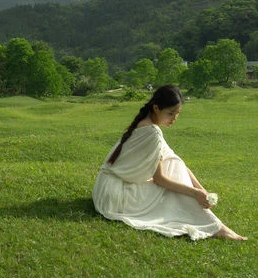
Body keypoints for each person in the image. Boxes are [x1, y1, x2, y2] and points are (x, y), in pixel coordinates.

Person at [92, 84, 246, 241]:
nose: (174, 118)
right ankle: (215, 227)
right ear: (156, 108)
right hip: (115, 197)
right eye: (170, 113)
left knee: (174, 164)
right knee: (172, 188)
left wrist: (202, 191)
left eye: (177, 113)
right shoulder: (152, 132)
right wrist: (195, 193)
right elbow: (159, 179)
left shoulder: (147, 124)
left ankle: (213, 223)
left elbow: (176, 161)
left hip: (104, 189)